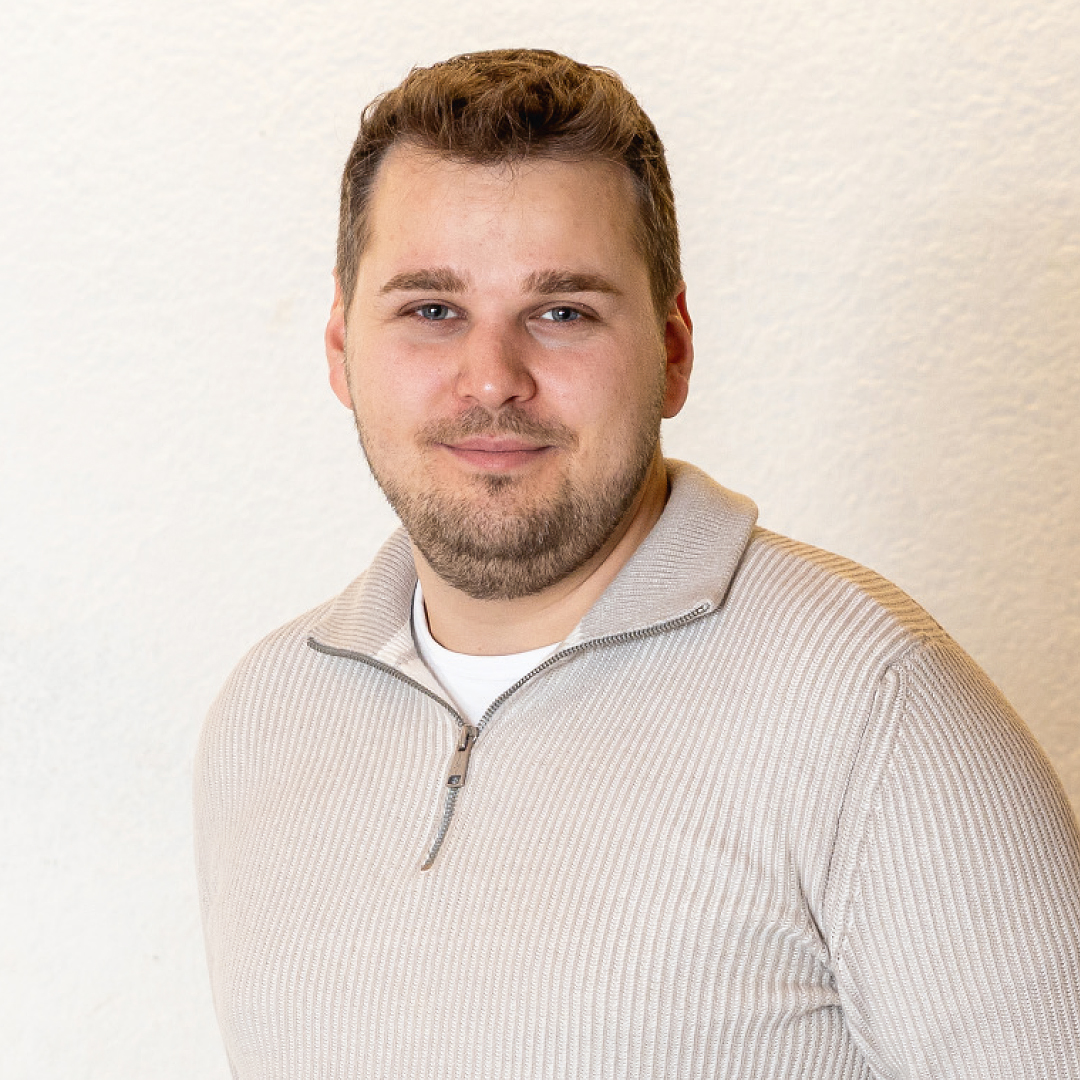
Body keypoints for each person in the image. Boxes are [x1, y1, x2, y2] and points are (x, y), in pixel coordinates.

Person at [195, 48, 1080, 1079]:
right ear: (343, 349)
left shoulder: (874, 708)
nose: (493, 377)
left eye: (562, 311)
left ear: (673, 349)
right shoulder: (265, 719)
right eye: (432, 309)